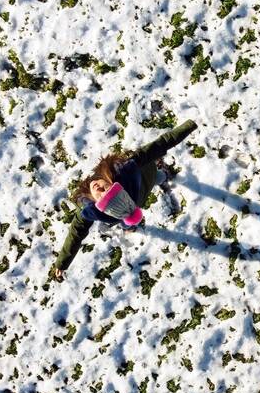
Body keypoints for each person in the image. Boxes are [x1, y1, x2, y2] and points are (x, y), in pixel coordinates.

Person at [49, 119, 199, 279]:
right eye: (104, 190)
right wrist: (63, 262)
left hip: (145, 181)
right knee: (156, 179)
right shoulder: (127, 168)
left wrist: (62, 262)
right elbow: (160, 144)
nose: (98, 189)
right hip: (144, 179)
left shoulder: (90, 208)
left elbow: (77, 232)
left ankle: (131, 221)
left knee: (152, 183)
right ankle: (162, 177)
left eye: (103, 193)